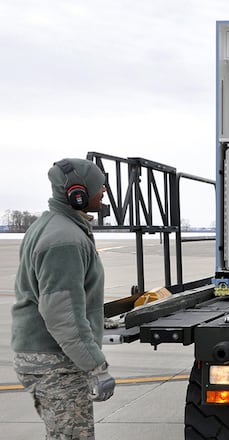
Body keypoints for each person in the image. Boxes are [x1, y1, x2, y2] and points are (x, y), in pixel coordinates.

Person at [11, 158, 115, 439]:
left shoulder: (55, 227)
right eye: (99, 186)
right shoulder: (64, 240)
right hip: (54, 362)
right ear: (77, 194)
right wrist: (96, 365)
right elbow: (62, 315)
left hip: (50, 357)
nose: (104, 190)